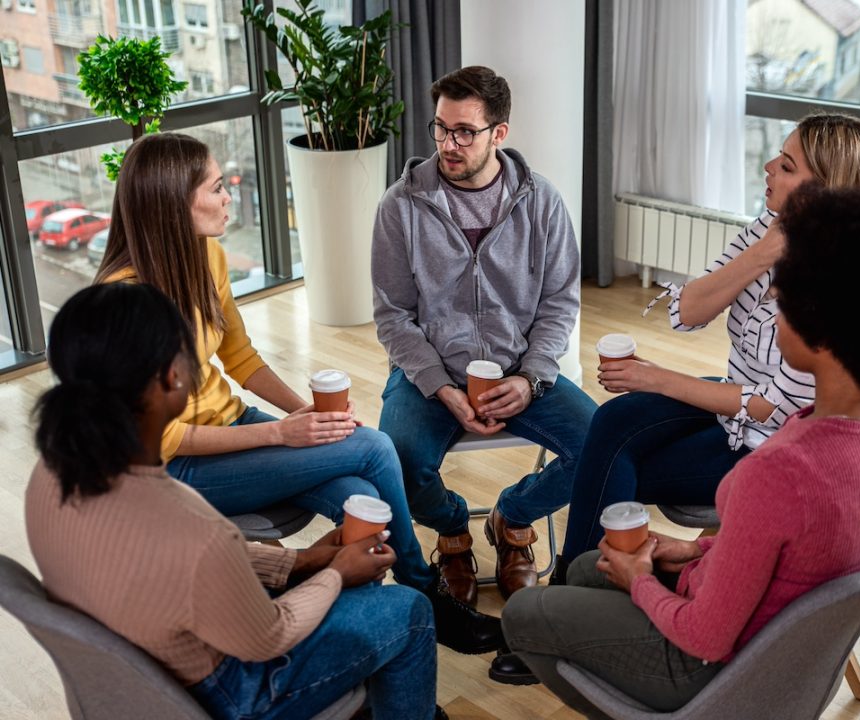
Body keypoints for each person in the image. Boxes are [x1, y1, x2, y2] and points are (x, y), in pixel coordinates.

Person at [499, 183, 860, 712]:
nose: (774, 300)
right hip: (790, 654)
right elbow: (793, 554)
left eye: (787, 294)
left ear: (824, 333)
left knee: (525, 613)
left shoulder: (779, 473)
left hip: (711, 669)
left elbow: (705, 638)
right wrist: (696, 549)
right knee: (585, 570)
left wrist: (643, 581)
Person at [92, 132, 502, 656]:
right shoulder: (122, 305)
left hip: (236, 424)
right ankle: (425, 595)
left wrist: (302, 414)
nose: (228, 198)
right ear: (175, 203)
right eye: (216, 189)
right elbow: (162, 439)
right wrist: (283, 433)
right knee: (374, 447)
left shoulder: (205, 256)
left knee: (366, 500)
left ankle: (360, 636)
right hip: (175, 470)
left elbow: (239, 357)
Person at [25, 282, 448, 720]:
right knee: (409, 611)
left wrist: (303, 561)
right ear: (174, 378)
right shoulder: (189, 524)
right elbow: (268, 636)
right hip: (232, 695)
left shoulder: (50, 475)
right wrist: (337, 573)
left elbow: (185, 566)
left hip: (142, 678)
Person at [558, 113, 860, 570]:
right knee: (614, 421)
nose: (768, 167)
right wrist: (762, 254)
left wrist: (656, 378)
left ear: (826, 194)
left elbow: (770, 408)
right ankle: (578, 586)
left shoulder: (841, 291)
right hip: (734, 408)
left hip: (776, 449)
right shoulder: (769, 227)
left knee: (610, 465)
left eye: (787, 166)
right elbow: (688, 313)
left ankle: (578, 591)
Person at [372, 66, 598, 605]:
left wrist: (531, 377)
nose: (449, 144)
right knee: (394, 464)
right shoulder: (400, 206)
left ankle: (511, 518)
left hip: (519, 370)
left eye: (465, 131)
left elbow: (559, 302)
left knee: (602, 446)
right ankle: (453, 532)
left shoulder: (541, 201)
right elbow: (392, 316)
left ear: (499, 133)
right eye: (441, 128)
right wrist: (440, 387)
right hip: (430, 374)